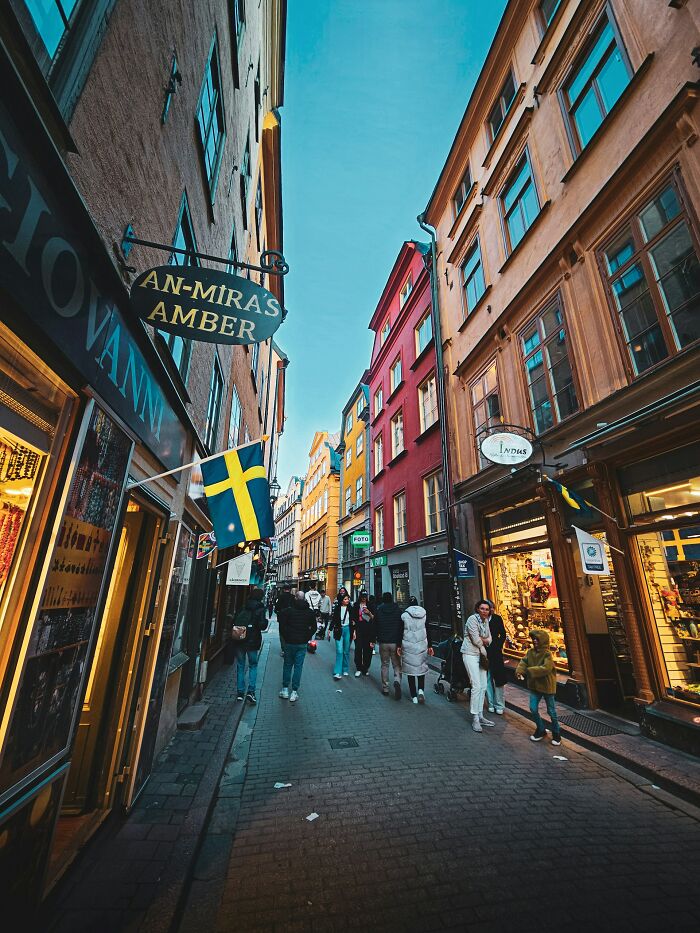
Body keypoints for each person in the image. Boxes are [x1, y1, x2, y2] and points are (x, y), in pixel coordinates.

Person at [515, 630, 561, 744]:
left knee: (551, 712)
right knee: (533, 708)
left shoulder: (547, 654)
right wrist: (519, 670)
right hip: (535, 686)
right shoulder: (530, 652)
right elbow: (523, 662)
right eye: (533, 638)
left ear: (543, 641)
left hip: (547, 686)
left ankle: (556, 733)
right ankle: (541, 729)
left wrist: (529, 671)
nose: (534, 641)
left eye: (537, 639)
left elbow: (546, 668)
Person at [462, 600, 494, 733]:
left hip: (481, 656)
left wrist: (483, 640)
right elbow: (476, 640)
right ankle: (475, 717)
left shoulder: (486, 621)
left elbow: (490, 639)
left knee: (483, 686)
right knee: (476, 685)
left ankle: (480, 715)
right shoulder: (471, 619)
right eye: (482, 608)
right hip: (470, 654)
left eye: (487, 609)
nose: (484, 611)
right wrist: (483, 643)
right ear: (477, 609)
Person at [231, 587, 268, 704]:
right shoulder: (260, 608)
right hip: (252, 642)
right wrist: (265, 621)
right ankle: (251, 692)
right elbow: (262, 626)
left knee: (240, 665)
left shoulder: (243, 605)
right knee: (253, 665)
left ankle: (240, 693)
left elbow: (235, 619)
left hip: (240, 639)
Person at [278, 593, 317, 702]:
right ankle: (294, 691)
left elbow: (282, 626)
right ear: (304, 599)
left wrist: (286, 637)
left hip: (290, 642)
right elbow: (314, 627)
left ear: (295, 598)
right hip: (302, 643)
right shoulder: (309, 612)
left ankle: (285, 689)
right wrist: (306, 636)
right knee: (298, 667)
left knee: (287, 665)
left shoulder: (288, 611)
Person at [399, 597, 433, 704]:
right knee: (421, 669)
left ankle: (413, 696)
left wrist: (399, 645)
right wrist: (430, 645)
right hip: (422, 645)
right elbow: (428, 630)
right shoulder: (424, 615)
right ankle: (421, 690)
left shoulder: (404, 615)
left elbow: (400, 631)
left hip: (408, 645)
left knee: (411, 671)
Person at [374, 592, 404, 699]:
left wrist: (375, 638)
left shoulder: (379, 610)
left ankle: (385, 688)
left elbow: (375, 625)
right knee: (397, 665)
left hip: (383, 642)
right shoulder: (397, 610)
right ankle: (397, 681)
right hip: (395, 642)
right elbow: (401, 626)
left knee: (385, 664)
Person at [485, 600, 507, 715]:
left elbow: (502, 634)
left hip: (496, 652)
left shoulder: (497, 619)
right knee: (487, 678)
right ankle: (491, 703)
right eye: (488, 608)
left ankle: (499, 704)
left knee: (498, 678)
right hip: (484, 652)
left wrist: (497, 645)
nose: (490, 610)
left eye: (491, 608)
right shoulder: (480, 620)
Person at [352, 590, 376, 676]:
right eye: (362, 596)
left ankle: (365, 667)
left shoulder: (371, 605)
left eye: (365, 596)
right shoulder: (356, 605)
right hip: (359, 628)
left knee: (368, 650)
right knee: (358, 649)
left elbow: (374, 618)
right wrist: (354, 630)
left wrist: (369, 613)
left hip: (368, 629)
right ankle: (358, 667)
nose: (364, 598)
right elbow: (353, 618)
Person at [331, 593, 355, 679]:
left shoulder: (350, 609)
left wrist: (354, 632)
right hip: (339, 630)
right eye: (345, 599)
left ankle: (345, 669)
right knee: (339, 650)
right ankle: (337, 671)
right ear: (341, 600)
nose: (347, 600)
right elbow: (333, 619)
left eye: (348, 599)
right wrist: (329, 630)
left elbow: (353, 621)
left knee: (346, 651)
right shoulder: (337, 608)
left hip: (348, 630)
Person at [275, 583, 294, 657]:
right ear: (290, 589)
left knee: (282, 633)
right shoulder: (293, 597)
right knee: (290, 633)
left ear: (283, 589)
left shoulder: (280, 597)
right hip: (291, 618)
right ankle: (289, 649)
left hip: (282, 619)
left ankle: (284, 650)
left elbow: (276, 608)